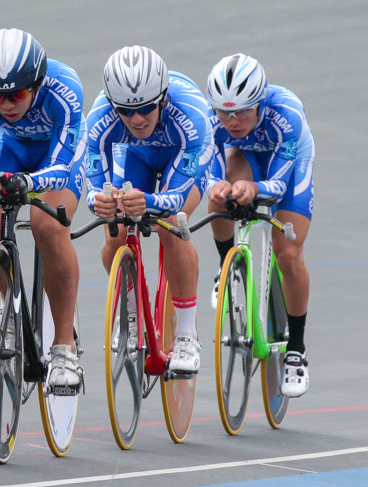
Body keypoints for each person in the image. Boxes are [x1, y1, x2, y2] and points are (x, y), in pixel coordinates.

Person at [0, 28, 87, 391]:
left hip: (53, 159)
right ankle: (9, 303)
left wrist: (30, 185)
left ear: (38, 83)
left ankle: (64, 348)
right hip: (7, 152)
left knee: (47, 225)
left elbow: (62, 165)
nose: (7, 104)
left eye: (17, 94)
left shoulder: (65, 90)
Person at [86, 46, 213, 373]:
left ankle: (186, 334)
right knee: (115, 228)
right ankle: (128, 311)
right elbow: (93, 182)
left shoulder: (191, 116)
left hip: (180, 157)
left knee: (171, 222)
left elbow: (175, 195)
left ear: (162, 97)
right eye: (126, 112)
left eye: (146, 108)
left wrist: (150, 202)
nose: (137, 119)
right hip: (135, 156)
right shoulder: (99, 119)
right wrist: (99, 200)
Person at [205, 53, 314, 397]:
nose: (232, 121)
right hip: (245, 155)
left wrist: (254, 189)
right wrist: (218, 186)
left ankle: (296, 349)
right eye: (224, 112)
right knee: (219, 199)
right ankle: (227, 269)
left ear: (261, 101)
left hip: (290, 164)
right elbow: (207, 168)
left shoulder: (286, 114)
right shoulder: (212, 121)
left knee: (288, 253)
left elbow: (279, 186)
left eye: (243, 111)